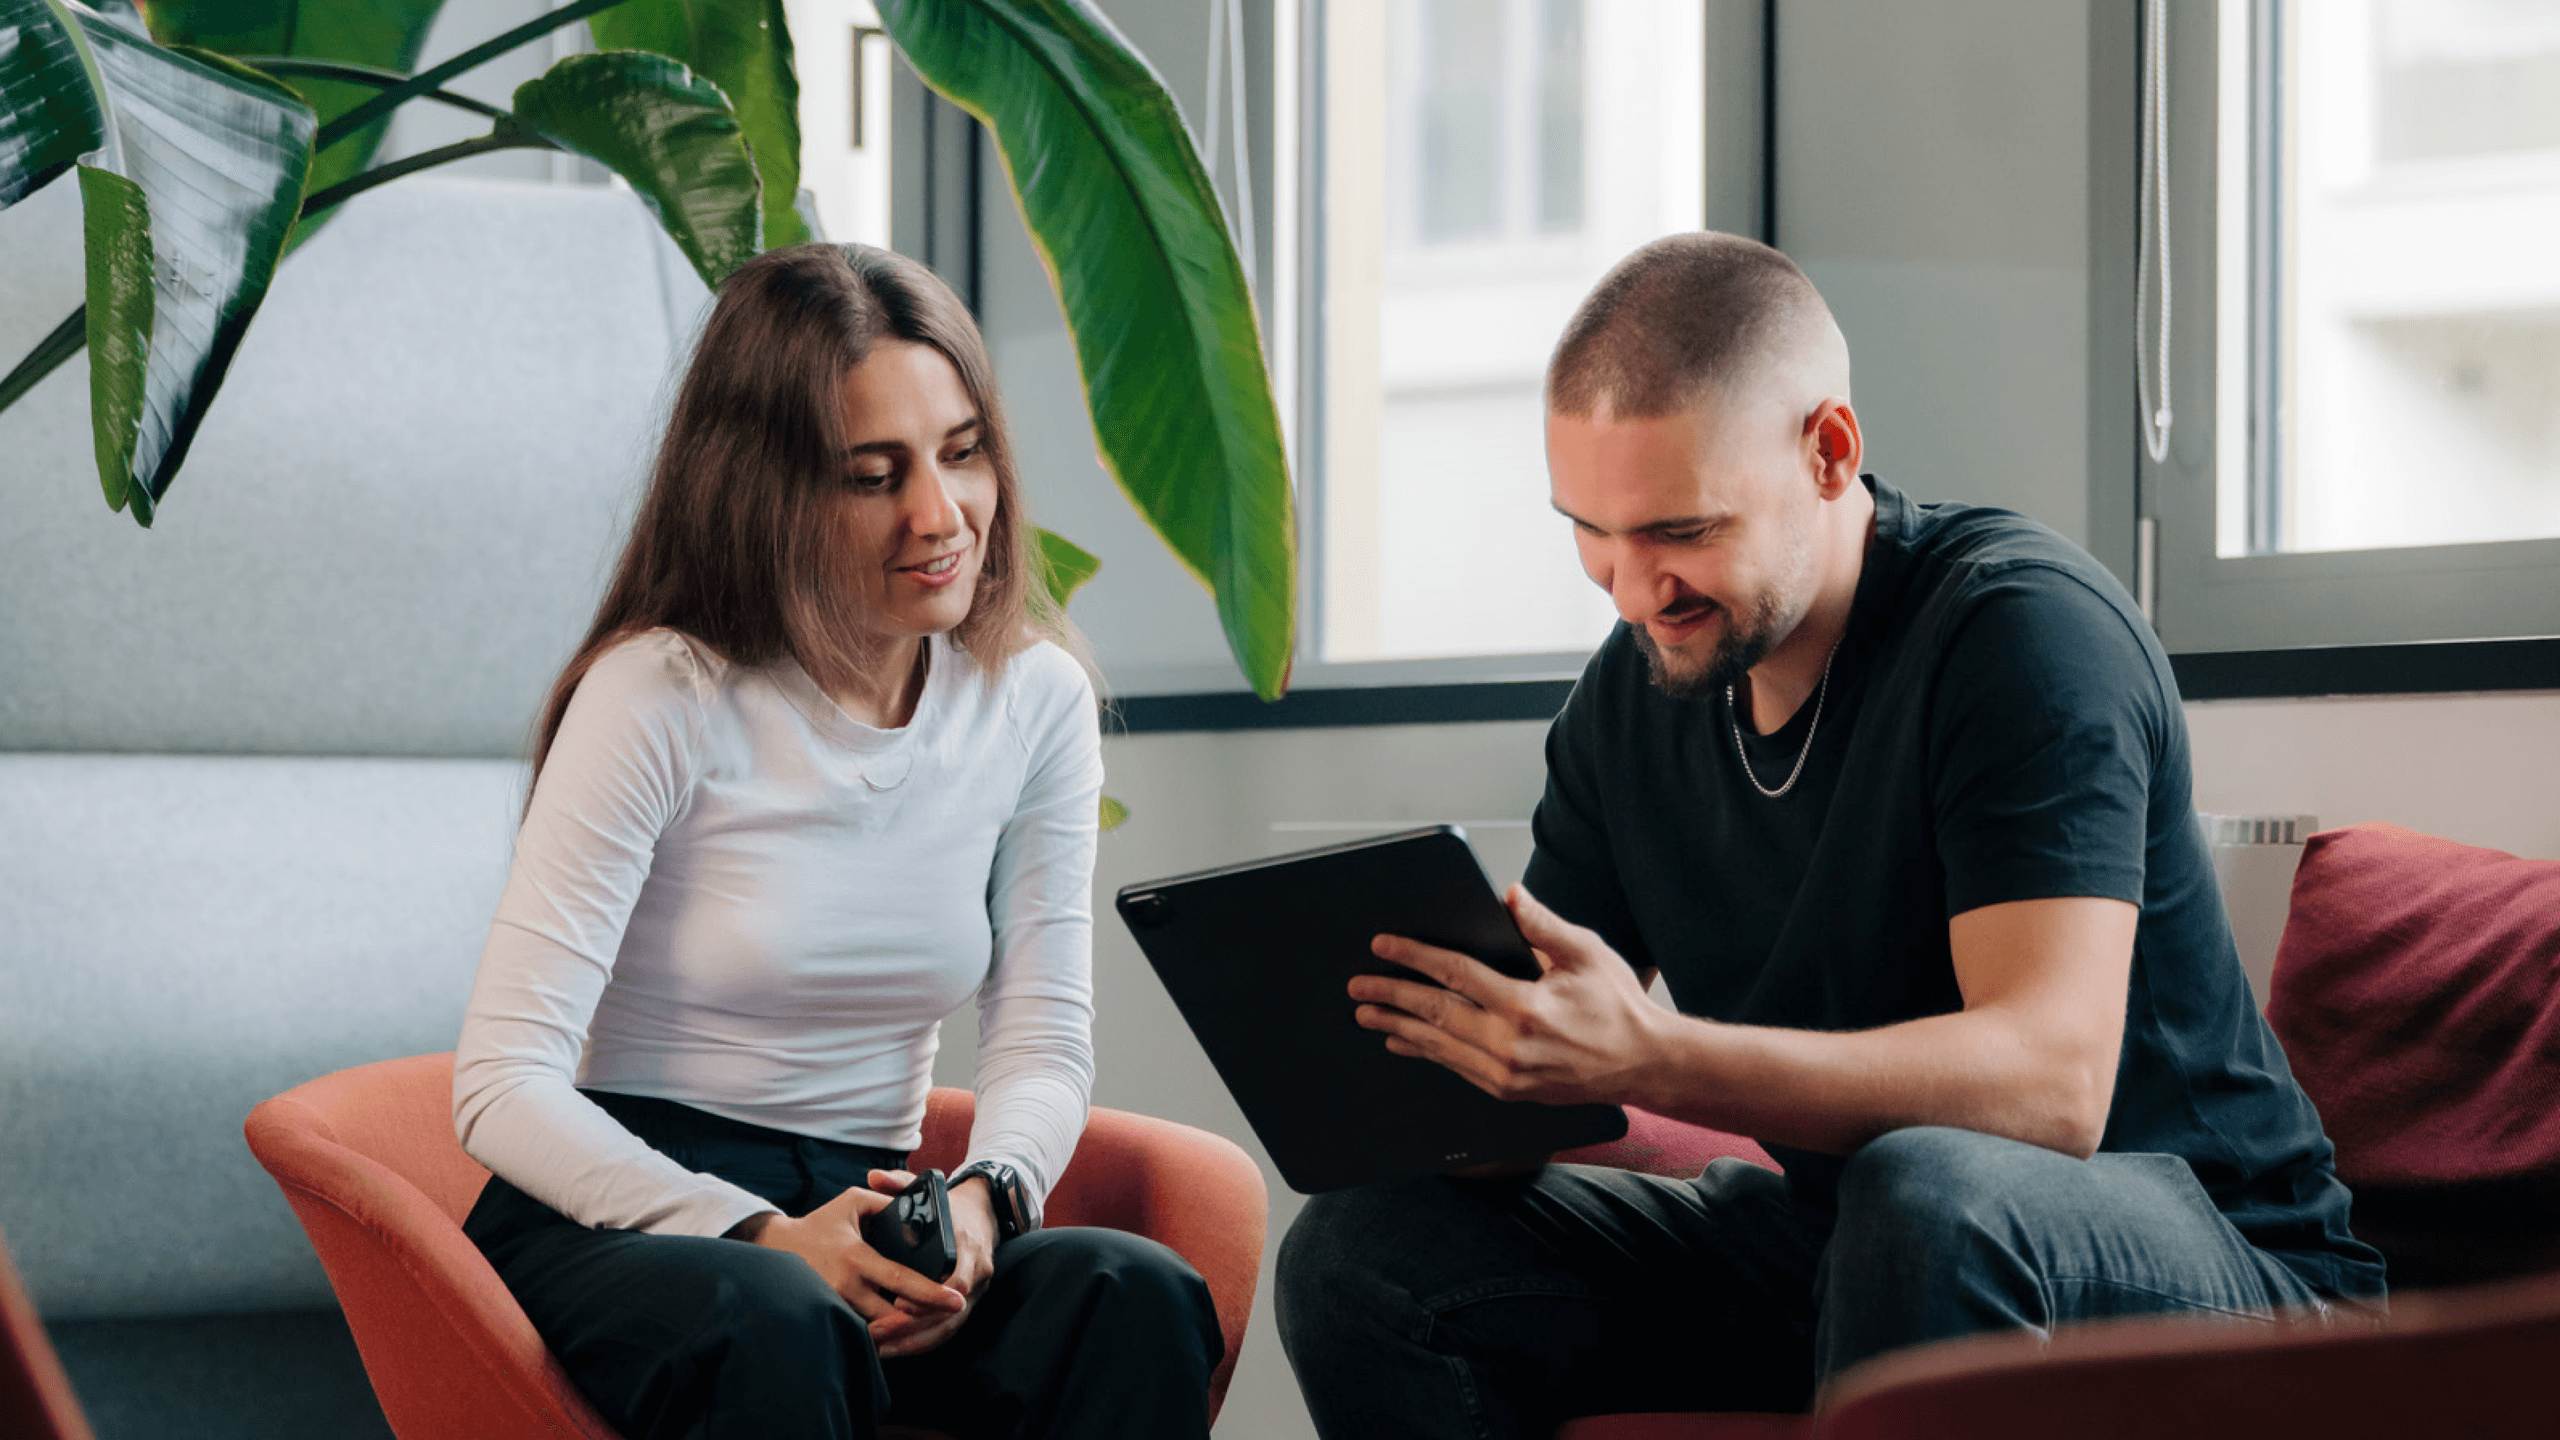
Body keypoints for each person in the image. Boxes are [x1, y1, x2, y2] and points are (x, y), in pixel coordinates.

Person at [1275, 232, 2385, 1436]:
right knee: (1363, 1246)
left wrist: (1650, 1054)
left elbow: (2049, 1086)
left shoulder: (2018, 637)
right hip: (1848, 1248)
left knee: (1928, 1193)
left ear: (1828, 451)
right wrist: (1472, 1078)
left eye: (1681, 531)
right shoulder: (1633, 692)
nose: (1628, 585)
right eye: (1590, 529)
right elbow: (1549, 1079)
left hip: (2206, 1266)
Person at [452, 242, 1221, 1440]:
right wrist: (760, 1232)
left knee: (1131, 1294)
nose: (939, 515)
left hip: (875, 1199)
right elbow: (501, 1087)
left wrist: (982, 1208)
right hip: (631, 1216)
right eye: (873, 476)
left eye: (962, 454)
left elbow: (1042, 1040)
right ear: (763, 488)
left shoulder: (1034, 700)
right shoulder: (661, 693)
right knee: (777, 1317)